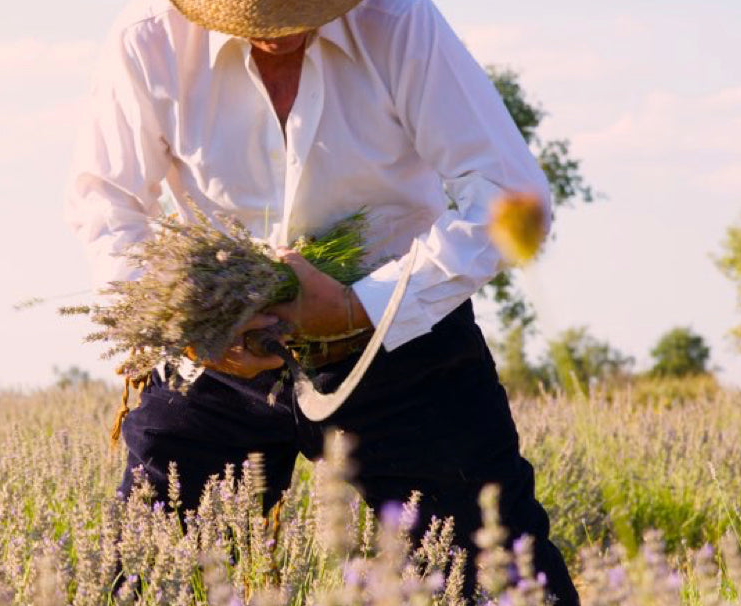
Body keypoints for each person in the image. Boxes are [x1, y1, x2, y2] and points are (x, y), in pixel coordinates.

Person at [64, 0, 579, 602]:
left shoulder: (401, 22)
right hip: (214, 355)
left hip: (400, 343)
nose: (276, 31)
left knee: (500, 576)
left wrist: (362, 304)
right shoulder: (147, 38)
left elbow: (507, 191)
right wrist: (184, 325)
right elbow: (106, 206)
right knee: (148, 576)